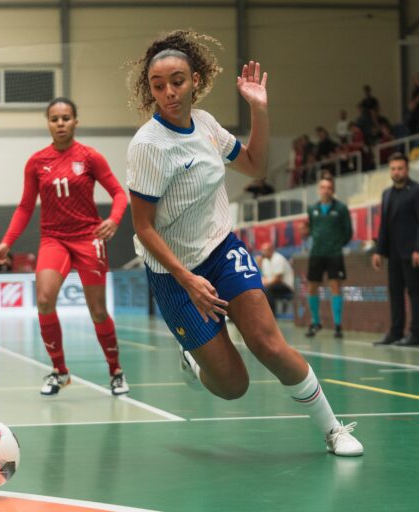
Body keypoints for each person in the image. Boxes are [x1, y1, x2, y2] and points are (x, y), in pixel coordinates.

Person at [126, 30, 362, 456]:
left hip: (220, 250)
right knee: (234, 385)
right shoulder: (147, 146)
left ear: (195, 79)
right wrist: (187, 280)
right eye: (158, 86)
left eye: (177, 81)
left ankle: (333, 429)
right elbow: (143, 228)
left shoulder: (208, 126)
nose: (168, 93)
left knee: (268, 343)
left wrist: (259, 111)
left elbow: (255, 166)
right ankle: (194, 359)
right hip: (173, 274)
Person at [0, 97, 130, 396]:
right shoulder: (37, 162)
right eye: (55, 118)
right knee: (43, 299)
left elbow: (119, 193)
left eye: (66, 118)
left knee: (97, 310)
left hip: (88, 239)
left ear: (76, 121)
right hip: (53, 239)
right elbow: (26, 207)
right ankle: (60, 371)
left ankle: (115, 370)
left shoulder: (91, 157)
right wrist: (6, 242)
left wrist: (115, 220)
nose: (61, 123)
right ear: (48, 123)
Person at [372, 153, 419, 346]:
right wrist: (378, 250)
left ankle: (415, 333)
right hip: (394, 253)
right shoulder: (386, 194)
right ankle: (396, 332)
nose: (396, 172)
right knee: (395, 292)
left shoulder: (418, 191)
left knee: (415, 292)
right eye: (393, 169)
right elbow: (384, 225)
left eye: (400, 168)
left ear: (407, 169)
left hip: (412, 252)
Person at [301, 178, 353, 339]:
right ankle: (316, 322)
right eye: (323, 187)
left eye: (329, 187)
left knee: (335, 286)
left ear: (333, 189)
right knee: (312, 287)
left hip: (334, 254)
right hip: (316, 253)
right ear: (319, 189)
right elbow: (310, 229)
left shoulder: (341, 208)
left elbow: (348, 231)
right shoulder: (312, 209)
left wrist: (337, 244)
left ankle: (337, 325)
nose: (326, 190)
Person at [259, 243, 294, 315]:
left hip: (286, 285)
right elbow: (265, 277)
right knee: (260, 289)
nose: (263, 252)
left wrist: (265, 284)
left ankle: (272, 315)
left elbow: (278, 279)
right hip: (273, 284)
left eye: (265, 250)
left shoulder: (278, 258)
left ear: (271, 250)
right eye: (262, 250)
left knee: (267, 289)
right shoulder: (265, 261)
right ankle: (263, 314)